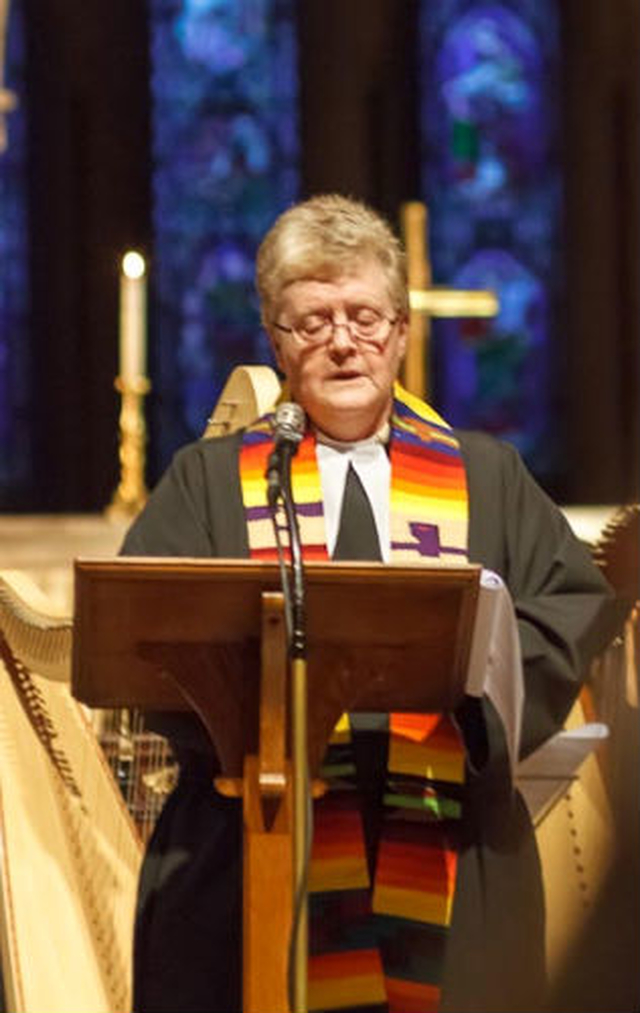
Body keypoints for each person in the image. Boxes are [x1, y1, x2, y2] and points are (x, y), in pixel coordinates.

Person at [122, 194, 614, 1013]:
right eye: (312, 321)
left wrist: (468, 687)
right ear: (278, 342)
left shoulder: (486, 476)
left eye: (363, 315)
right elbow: (147, 627)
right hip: (259, 840)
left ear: (399, 333)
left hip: (446, 835)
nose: (343, 341)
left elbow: (567, 604)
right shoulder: (211, 481)